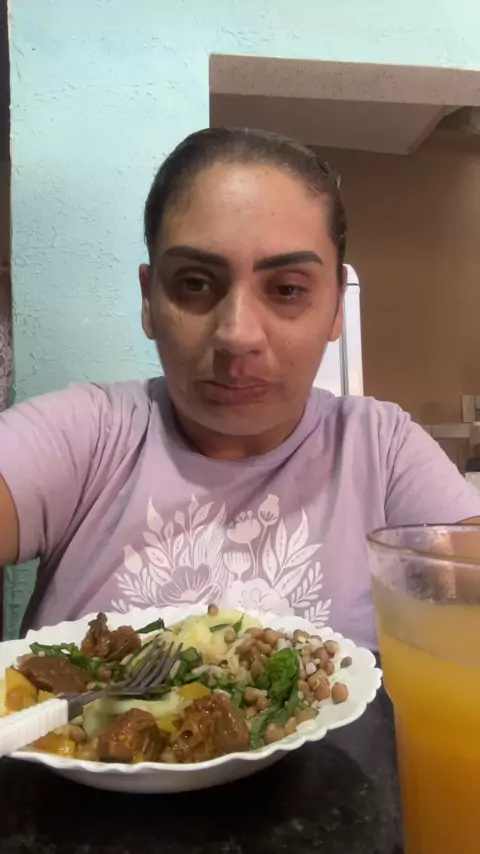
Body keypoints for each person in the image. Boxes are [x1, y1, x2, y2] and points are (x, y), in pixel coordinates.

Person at [1, 127, 479, 649]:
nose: (237, 335)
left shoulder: (378, 448)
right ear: (148, 299)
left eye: (287, 289)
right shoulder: (90, 435)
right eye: (194, 284)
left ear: (337, 305)